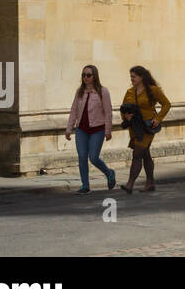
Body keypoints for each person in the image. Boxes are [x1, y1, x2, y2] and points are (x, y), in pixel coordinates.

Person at [120, 65, 170, 193]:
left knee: (137, 154)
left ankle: (130, 184)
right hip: (134, 127)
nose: (131, 79)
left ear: (141, 77)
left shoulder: (153, 90)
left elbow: (166, 104)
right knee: (145, 154)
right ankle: (150, 183)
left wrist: (158, 119)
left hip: (148, 127)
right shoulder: (129, 92)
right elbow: (123, 108)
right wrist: (126, 116)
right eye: (130, 77)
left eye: (134, 76)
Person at [65, 64, 115, 194]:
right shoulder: (79, 91)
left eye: (88, 75)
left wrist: (108, 130)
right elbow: (74, 110)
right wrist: (69, 129)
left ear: (94, 76)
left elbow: (108, 112)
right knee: (82, 157)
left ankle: (109, 173)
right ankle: (85, 186)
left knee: (93, 157)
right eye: (83, 75)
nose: (85, 78)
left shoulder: (103, 91)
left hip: (97, 129)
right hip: (81, 129)